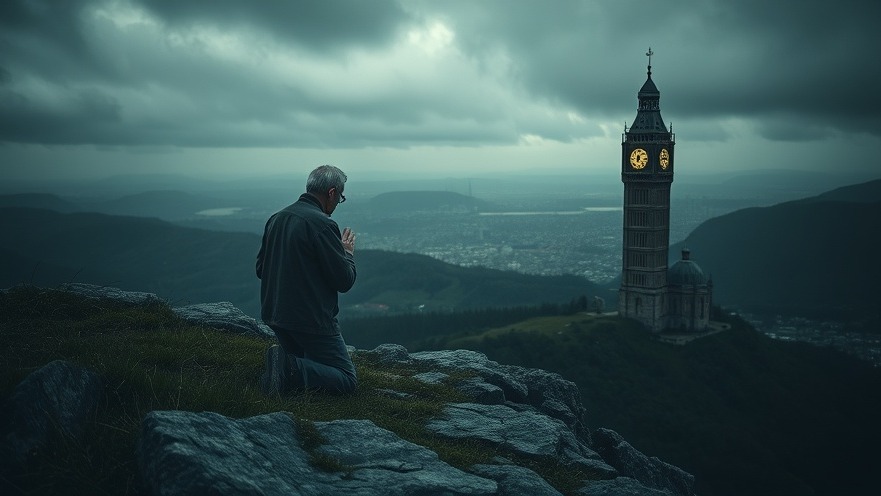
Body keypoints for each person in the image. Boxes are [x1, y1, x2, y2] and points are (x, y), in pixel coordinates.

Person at [256, 165, 357, 395]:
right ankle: (288, 366)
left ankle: (285, 368)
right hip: (310, 322)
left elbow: (261, 269)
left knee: (312, 364)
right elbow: (344, 281)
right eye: (340, 197)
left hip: (276, 317)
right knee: (346, 379)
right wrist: (347, 254)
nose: (337, 203)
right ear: (331, 193)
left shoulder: (277, 218)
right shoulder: (323, 224)